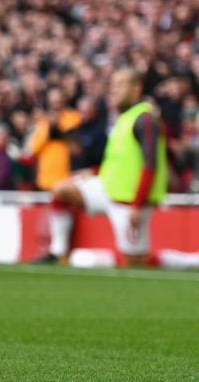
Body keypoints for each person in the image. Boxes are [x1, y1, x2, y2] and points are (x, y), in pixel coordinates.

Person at [35, 68, 168, 267]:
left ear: (136, 88)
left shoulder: (145, 118)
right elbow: (120, 161)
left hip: (129, 200)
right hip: (107, 187)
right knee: (61, 189)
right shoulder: (123, 118)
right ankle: (57, 252)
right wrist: (94, 172)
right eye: (112, 85)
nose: (113, 90)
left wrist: (138, 205)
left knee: (137, 264)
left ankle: (188, 261)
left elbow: (150, 164)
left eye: (119, 84)